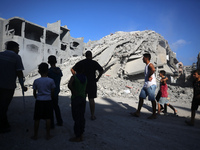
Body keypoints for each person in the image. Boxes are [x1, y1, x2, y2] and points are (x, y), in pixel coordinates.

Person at [0, 41, 27, 133]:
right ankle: (4, 125)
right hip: (8, 86)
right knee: (4, 106)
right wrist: (22, 86)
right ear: (14, 48)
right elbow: (19, 72)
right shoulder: (16, 57)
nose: (18, 50)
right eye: (18, 48)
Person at [71, 51, 104, 120]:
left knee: (82, 97)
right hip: (92, 82)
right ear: (91, 56)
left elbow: (72, 69)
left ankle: (80, 113)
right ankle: (92, 115)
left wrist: (76, 76)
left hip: (82, 82)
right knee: (91, 99)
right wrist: (97, 78)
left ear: (85, 56)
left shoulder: (81, 62)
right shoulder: (94, 63)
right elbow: (101, 71)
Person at [32, 63, 55, 140]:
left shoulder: (36, 81)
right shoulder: (51, 80)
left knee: (37, 118)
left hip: (39, 101)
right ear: (47, 71)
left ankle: (35, 135)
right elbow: (52, 91)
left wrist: (37, 97)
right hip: (48, 100)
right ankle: (48, 135)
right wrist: (50, 97)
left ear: (39, 71)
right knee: (48, 118)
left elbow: (34, 93)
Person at [130, 53, 157, 119]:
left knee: (152, 99)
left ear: (146, 58)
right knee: (141, 97)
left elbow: (153, 69)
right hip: (146, 85)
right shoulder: (147, 65)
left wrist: (150, 75)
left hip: (151, 85)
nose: (142, 59)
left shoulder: (150, 64)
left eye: (143, 57)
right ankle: (138, 112)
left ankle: (154, 114)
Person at [68, 63, 87, 142]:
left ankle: (77, 136)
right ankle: (81, 134)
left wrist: (73, 90)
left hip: (76, 99)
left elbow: (69, 85)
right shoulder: (85, 78)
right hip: (83, 99)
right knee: (81, 117)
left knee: (76, 118)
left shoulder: (74, 77)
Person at [48, 55, 63, 128]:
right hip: (56, 91)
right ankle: (59, 122)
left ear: (48, 62)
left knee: (50, 108)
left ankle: (51, 124)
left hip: (50, 91)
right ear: (56, 61)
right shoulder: (59, 71)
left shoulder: (49, 71)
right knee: (56, 106)